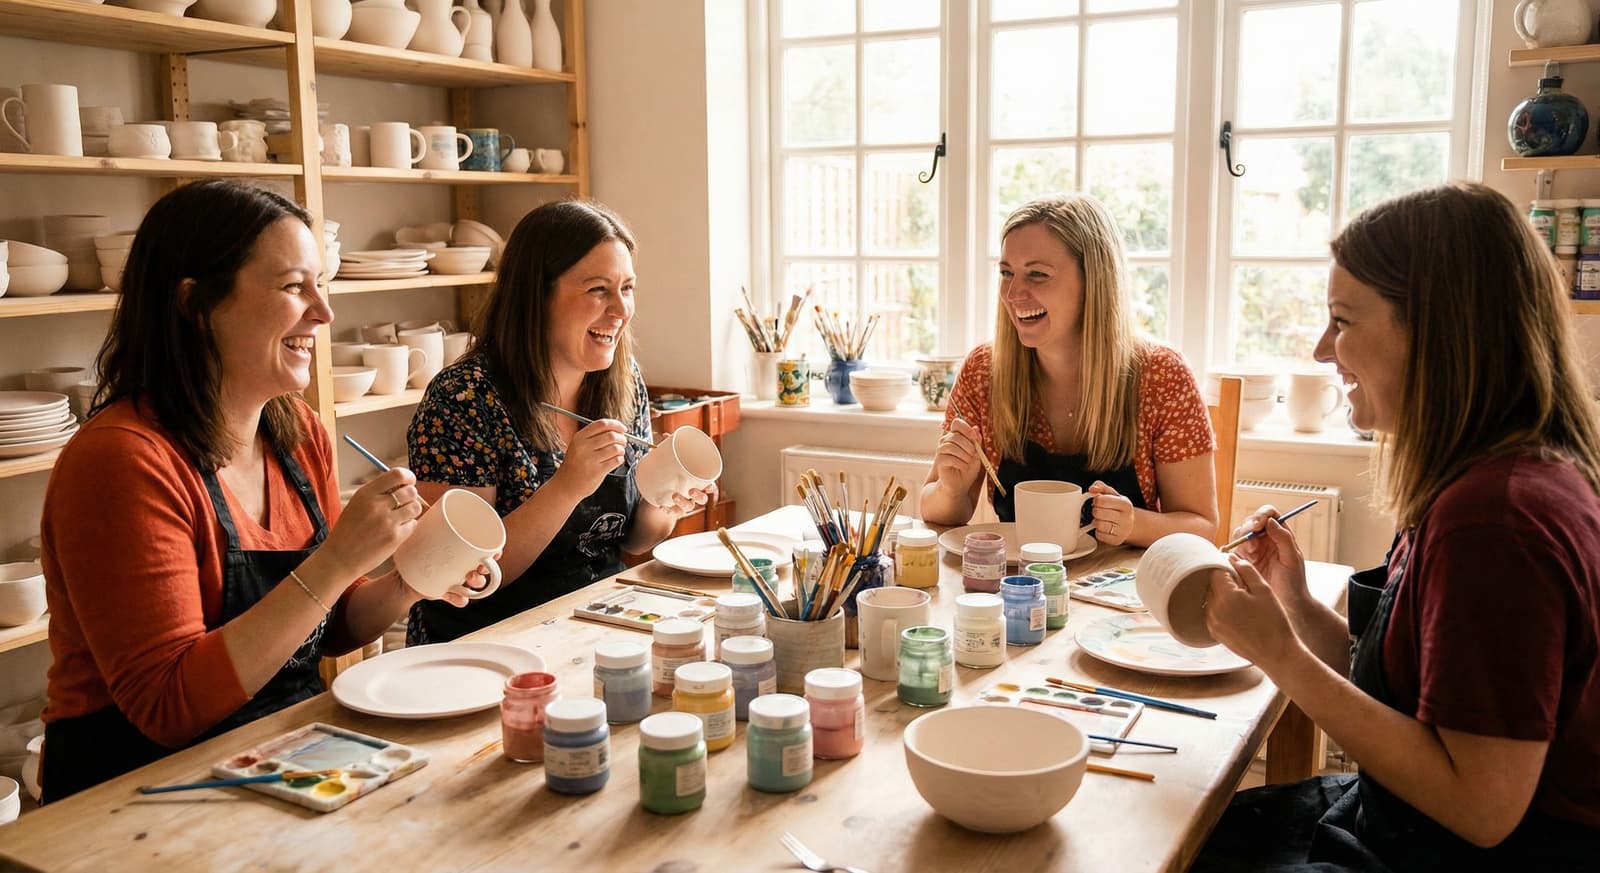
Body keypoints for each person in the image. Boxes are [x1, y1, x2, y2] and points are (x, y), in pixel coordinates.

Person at [37, 181, 484, 803]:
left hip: (272, 759)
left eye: (321, 284)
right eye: (293, 286)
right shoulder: (121, 462)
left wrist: (412, 579)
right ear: (196, 304)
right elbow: (168, 708)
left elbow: (325, 628)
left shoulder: (296, 433)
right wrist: (335, 561)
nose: (324, 313)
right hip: (133, 793)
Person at [1195, 183, 1600, 870]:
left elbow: (1482, 807)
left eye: (1344, 321)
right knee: (1188, 825)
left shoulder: (1496, 522)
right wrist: (1294, 605)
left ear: (1437, 333)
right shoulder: (1477, 480)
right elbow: (1404, 694)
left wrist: (1281, 656)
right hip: (1397, 825)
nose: (1324, 349)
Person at [406, 200, 710, 643]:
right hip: (482, 647)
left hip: (592, 624)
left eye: (627, 288)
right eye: (598, 290)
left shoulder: (624, 384)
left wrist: (668, 502)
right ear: (537, 295)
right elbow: (464, 574)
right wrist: (567, 486)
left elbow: (634, 542)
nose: (621, 310)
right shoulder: (462, 398)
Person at [919, 193, 1218, 547]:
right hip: (1021, 590)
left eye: (1037, 275)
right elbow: (937, 508)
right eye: (1006, 273)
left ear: (1094, 281)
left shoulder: (1161, 375)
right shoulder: (984, 371)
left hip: (1120, 593)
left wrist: (1134, 524)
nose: (1014, 293)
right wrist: (951, 490)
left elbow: (1202, 527)